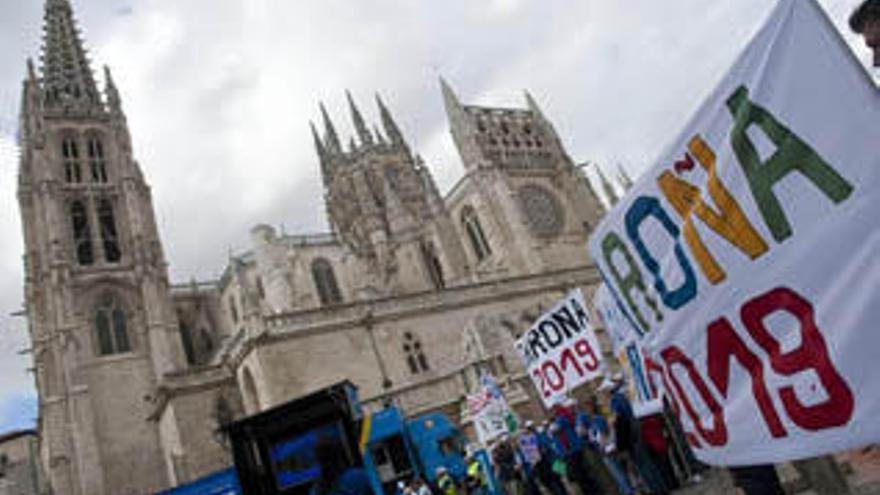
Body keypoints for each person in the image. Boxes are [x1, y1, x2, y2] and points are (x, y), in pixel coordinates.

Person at [610, 391, 668, 495]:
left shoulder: (615, 401)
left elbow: (619, 424)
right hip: (635, 432)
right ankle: (661, 489)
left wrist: (621, 447)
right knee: (649, 465)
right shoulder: (623, 398)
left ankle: (656, 490)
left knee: (644, 468)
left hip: (630, 437)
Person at [550, 401, 604, 495]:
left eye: (554, 409)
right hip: (568, 454)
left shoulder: (563, 418)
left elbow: (555, 429)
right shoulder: (564, 418)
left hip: (572, 451)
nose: (552, 411)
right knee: (579, 477)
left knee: (582, 477)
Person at [582, 401, 634, 495]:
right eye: (585, 410)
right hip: (604, 450)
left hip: (607, 449)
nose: (586, 412)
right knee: (617, 472)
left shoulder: (597, 419)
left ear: (591, 408)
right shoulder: (591, 422)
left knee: (618, 472)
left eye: (587, 409)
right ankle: (624, 490)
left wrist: (602, 443)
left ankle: (628, 491)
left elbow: (603, 434)